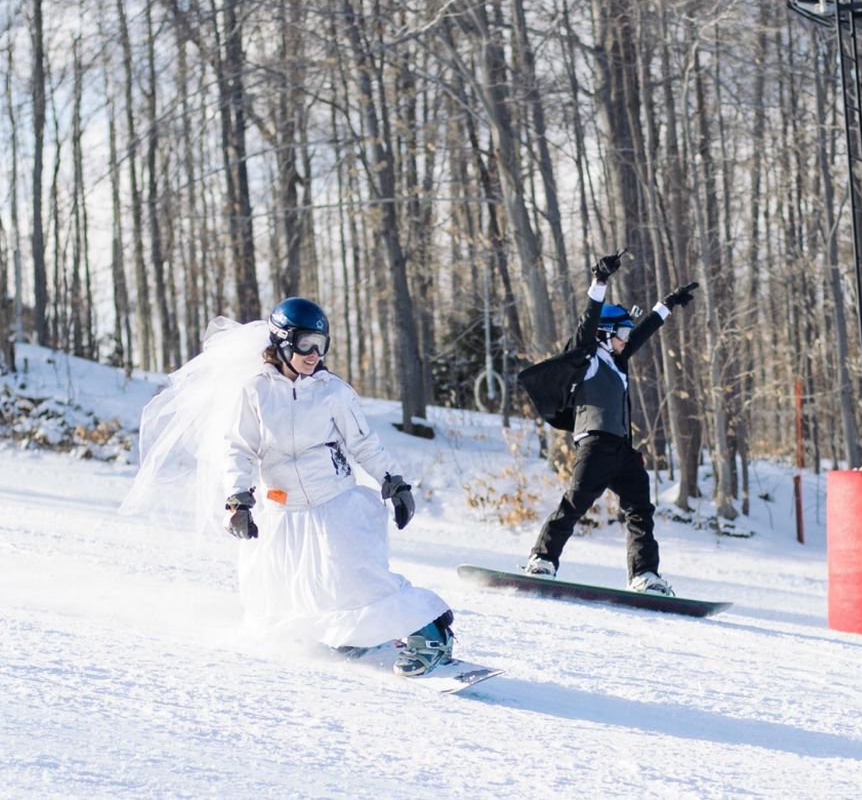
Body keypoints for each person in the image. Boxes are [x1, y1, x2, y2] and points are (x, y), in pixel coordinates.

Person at [122, 297, 456, 677]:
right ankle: (345, 636)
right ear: (282, 343)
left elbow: (364, 443)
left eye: (321, 344)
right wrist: (238, 500)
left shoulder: (333, 391)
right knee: (294, 590)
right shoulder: (256, 393)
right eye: (305, 344)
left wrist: (393, 482)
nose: (314, 354)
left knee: (359, 579)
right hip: (283, 509)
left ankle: (429, 633)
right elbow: (239, 448)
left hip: (334, 503)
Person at [521, 251, 699, 594]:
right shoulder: (587, 356)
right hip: (594, 446)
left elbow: (643, 331)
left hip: (621, 449)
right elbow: (587, 323)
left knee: (640, 509)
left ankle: (644, 574)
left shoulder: (619, 360)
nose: (627, 339)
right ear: (604, 334)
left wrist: (667, 304)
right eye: (621, 333)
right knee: (575, 504)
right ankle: (542, 558)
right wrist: (599, 282)